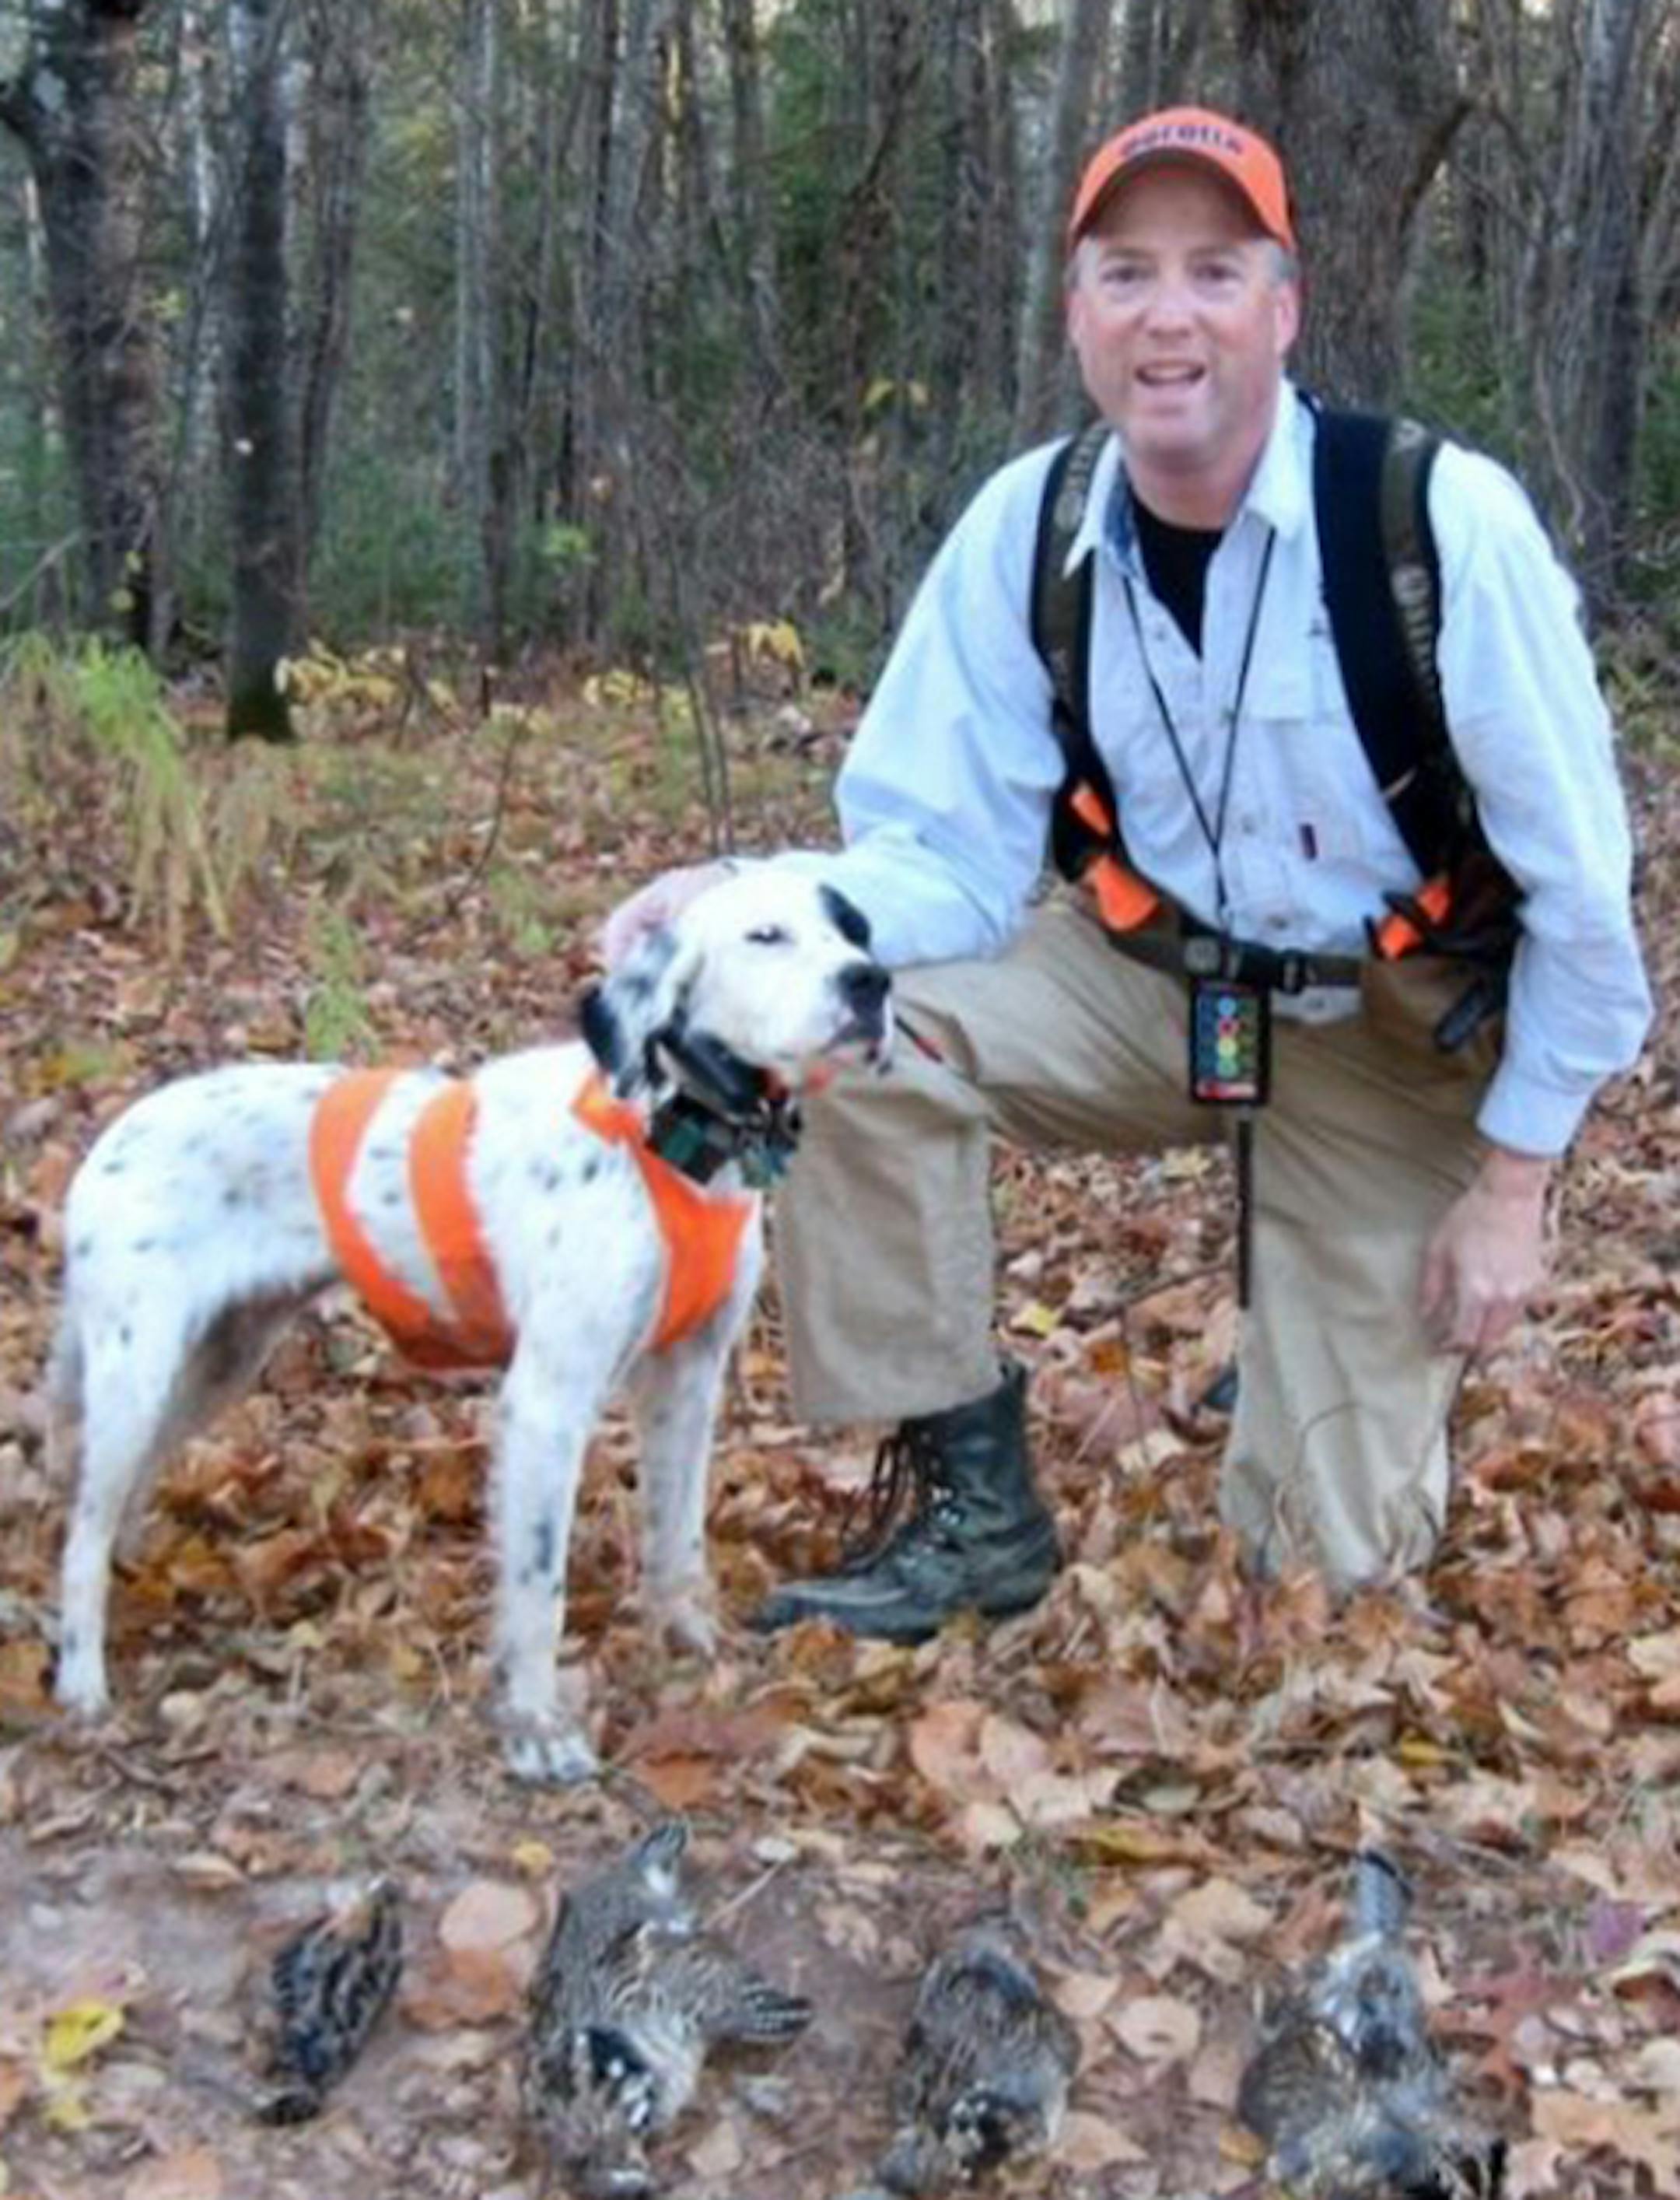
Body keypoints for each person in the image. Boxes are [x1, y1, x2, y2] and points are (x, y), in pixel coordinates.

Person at [603, 104, 1651, 1636]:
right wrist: (740, 904)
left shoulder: (1435, 523)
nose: (1171, 316)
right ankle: (971, 1505)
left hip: (1392, 1024)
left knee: (1318, 1578)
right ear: (1078, 313)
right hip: (1153, 985)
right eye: (1127, 273)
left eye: (1216, 273)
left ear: (1284, 311)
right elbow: (943, 862)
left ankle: (1321, 1360)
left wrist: (1514, 1184)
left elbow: (1583, 899)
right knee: (844, 1027)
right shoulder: (1022, 531)